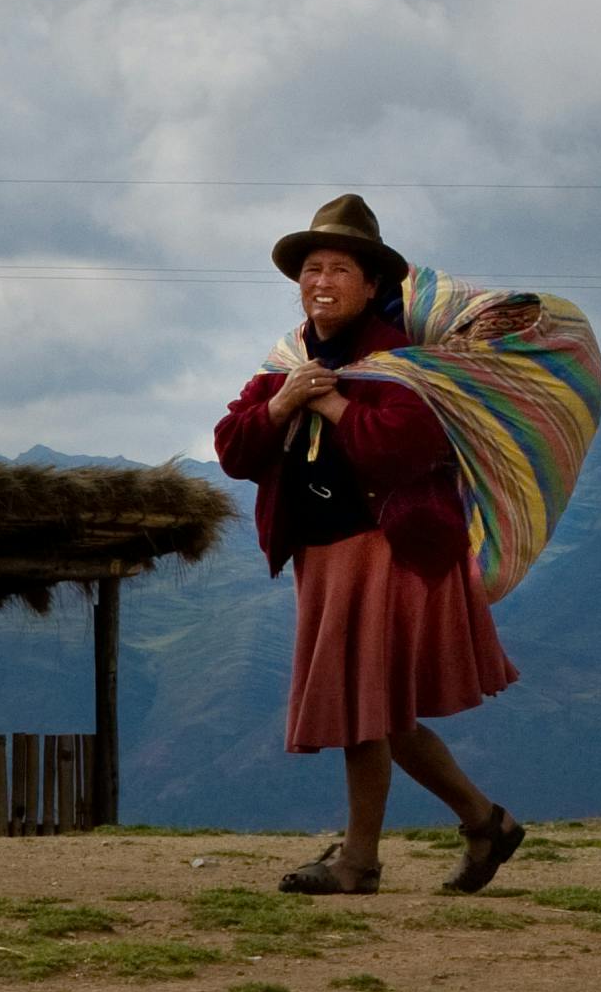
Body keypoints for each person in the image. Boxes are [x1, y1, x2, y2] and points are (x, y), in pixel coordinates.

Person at [214, 193, 543, 896]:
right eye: (311, 269)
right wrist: (283, 401)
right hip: (327, 554)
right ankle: (486, 823)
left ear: (370, 285)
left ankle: (359, 861)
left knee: (367, 708)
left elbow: (402, 450)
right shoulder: (288, 361)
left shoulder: (403, 363)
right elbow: (235, 449)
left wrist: (326, 400)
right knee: (380, 711)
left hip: (389, 550)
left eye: (337, 268)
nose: (320, 282)